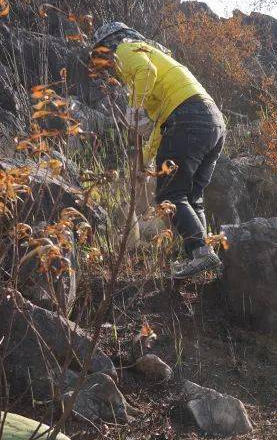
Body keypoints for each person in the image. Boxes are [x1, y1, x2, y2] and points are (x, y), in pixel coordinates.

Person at [90, 21, 226, 279]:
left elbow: (145, 72)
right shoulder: (159, 57)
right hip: (212, 123)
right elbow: (159, 127)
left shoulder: (127, 48)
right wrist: (147, 165)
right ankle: (203, 258)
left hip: (186, 119)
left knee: (171, 193)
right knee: (191, 196)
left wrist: (134, 107)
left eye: (101, 57)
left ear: (108, 45)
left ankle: (201, 253)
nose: (106, 66)